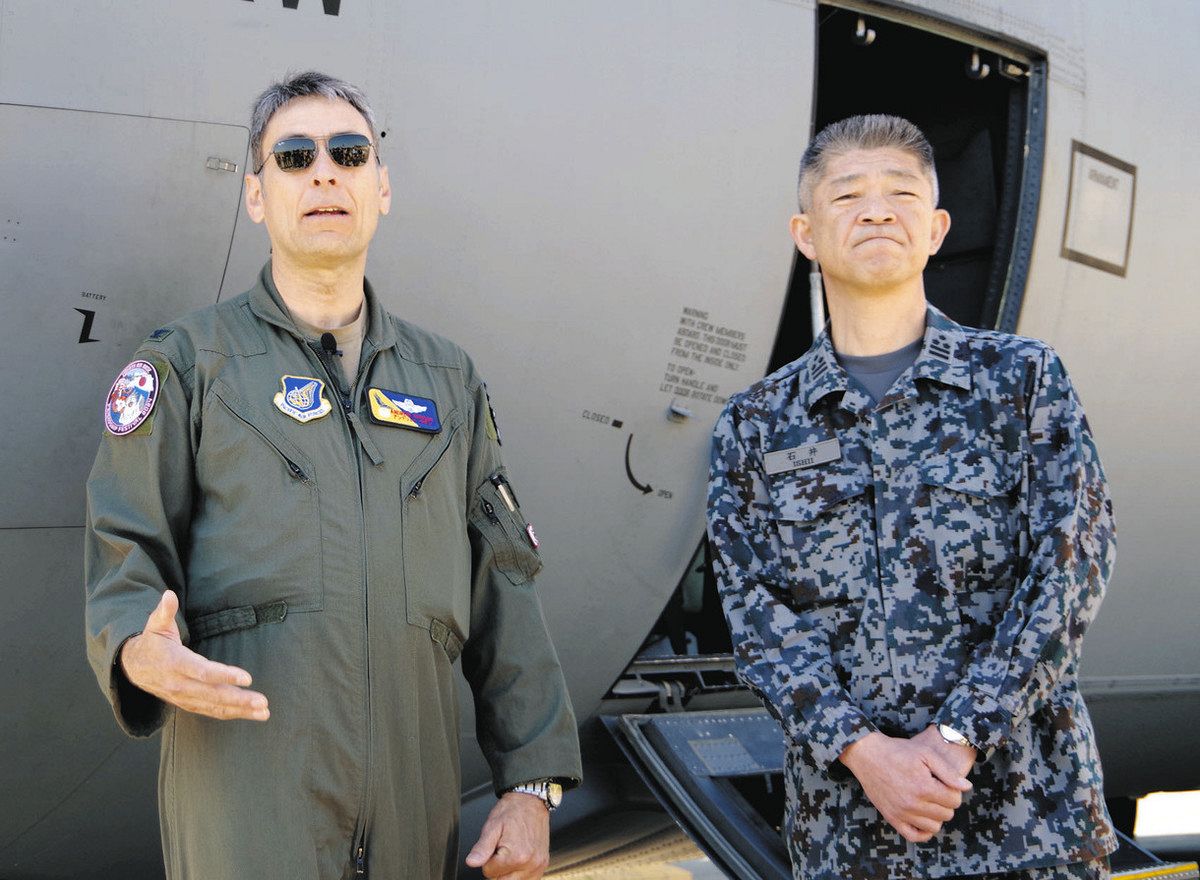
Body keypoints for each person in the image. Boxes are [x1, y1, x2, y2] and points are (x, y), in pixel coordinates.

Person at [84, 71, 581, 880]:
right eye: (293, 156)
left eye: (349, 153)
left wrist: (530, 782)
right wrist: (137, 647)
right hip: (249, 786)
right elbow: (124, 540)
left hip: (412, 790)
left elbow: (506, 584)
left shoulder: (446, 381)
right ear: (255, 196)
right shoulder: (188, 363)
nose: (324, 172)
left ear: (381, 189)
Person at [706, 115, 1116, 880]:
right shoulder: (758, 425)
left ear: (935, 229)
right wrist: (866, 755)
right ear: (805, 232)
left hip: (1028, 830)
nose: (876, 210)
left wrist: (956, 737)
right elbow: (755, 612)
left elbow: (1072, 566)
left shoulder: (1021, 384)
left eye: (901, 192)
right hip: (849, 840)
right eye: (848, 194)